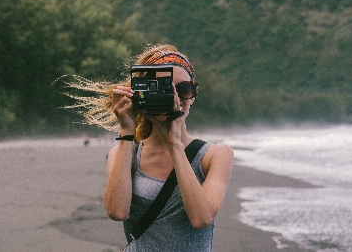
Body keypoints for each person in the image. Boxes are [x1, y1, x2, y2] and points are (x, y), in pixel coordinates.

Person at [60, 44, 234, 251]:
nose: (174, 98)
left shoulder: (215, 155)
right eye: (164, 89)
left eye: (183, 89)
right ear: (141, 92)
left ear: (193, 97)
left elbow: (201, 218)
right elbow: (117, 211)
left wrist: (175, 145)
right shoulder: (124, 153)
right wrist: (127, 131)